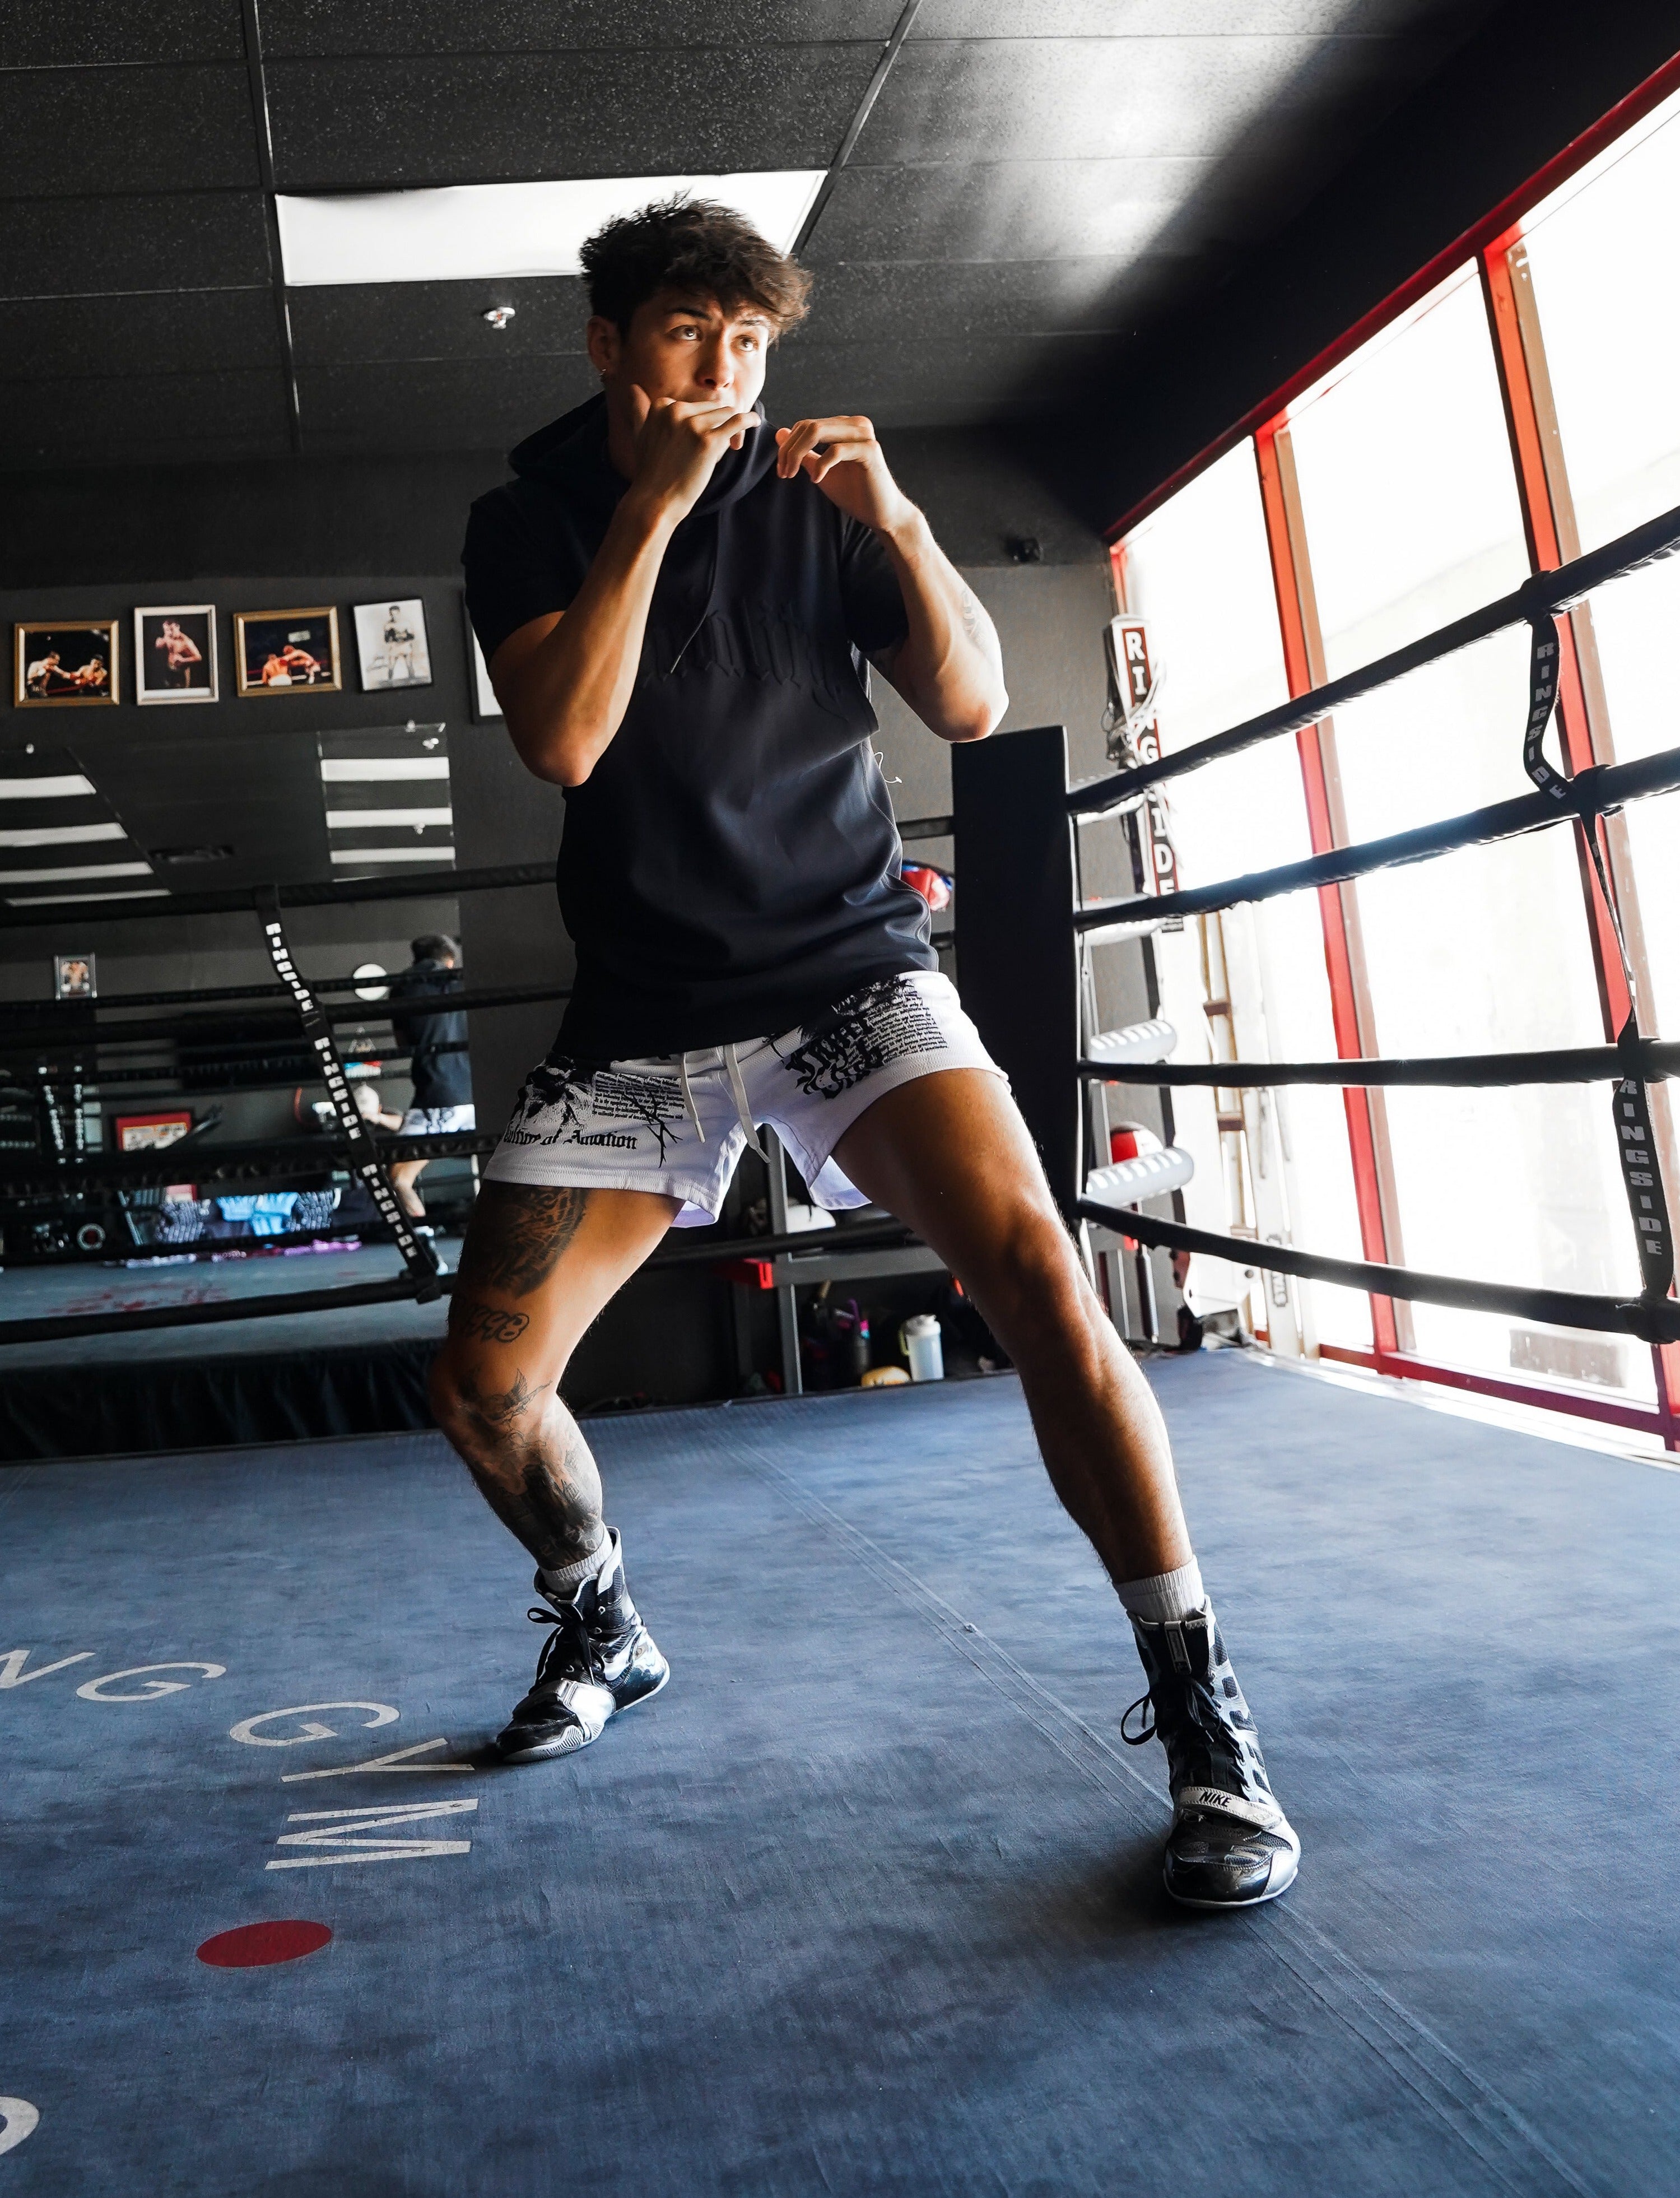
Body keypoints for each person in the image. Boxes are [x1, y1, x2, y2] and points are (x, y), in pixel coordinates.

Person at [436, 198, 1298, 1909]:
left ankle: (1204, 1716)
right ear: (607, 340)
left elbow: (970, 704)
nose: (723, 371)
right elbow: (563, 736)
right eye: (688, 332)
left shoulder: (819, 505)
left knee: (1041, 1277)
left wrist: (890, 510)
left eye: (748, 342)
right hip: (640, 1021)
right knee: (481, 1387)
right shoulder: (523, 518)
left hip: (846, 971)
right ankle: (600, 1619)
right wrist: (653, 516)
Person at [387, 932, 472, 1229]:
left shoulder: (404, 985)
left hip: (441, 1096)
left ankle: (427, 1255)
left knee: (398, 1180)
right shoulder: (465, 980)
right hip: (480, 1094)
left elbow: (402, 1045)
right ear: (449, 960)